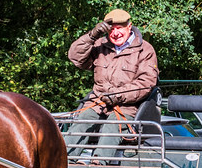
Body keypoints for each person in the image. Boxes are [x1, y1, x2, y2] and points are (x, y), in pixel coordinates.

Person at [66, 9, 159, 159]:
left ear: (129, 27)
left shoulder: (145, 50)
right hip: (98, 103)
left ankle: (98, 165)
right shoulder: (99, 45)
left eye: (119, 28)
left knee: (112, 125)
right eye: (111, 29)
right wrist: (91, 36)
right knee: (81, 122)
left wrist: (117, 95)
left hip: (127, 108)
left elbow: (146, 82)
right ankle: (62, 163)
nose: (115, 33)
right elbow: (75, 58)